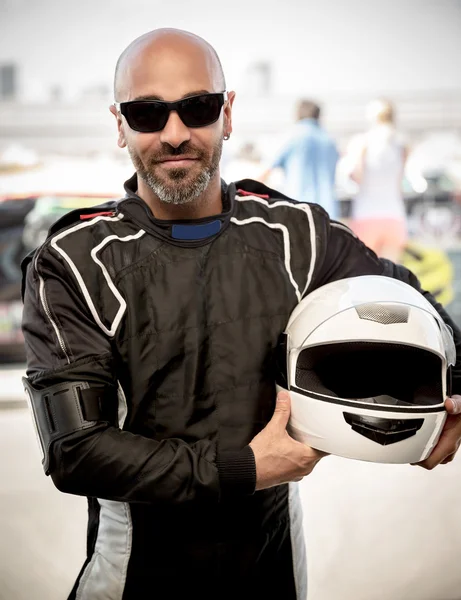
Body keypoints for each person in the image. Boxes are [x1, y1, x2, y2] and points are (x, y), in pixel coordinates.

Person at [20, 28, 461, 600]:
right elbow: (74, 451)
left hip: (276, 567)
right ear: (120, 123)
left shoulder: (294, 236)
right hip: (133, 577)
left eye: (197, 108)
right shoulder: (75, 260)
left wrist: (445, 407)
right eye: (147, 113)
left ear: (227, 114)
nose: (174, 134)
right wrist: (246, 467)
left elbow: (420, 310)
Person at [347, 98, 409, 262]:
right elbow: (400, 180)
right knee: (393, 276)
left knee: (365, 273)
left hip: (367, 213)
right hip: (395, 214)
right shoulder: (402, 143)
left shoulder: (363, 141)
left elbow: (357, 176)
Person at [260, 99, 340, 219]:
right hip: (327, 211)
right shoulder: (330, 141)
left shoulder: (291, 137)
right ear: (318, 115)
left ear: (297, 114)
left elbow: (266, 171)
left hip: (297, 209)